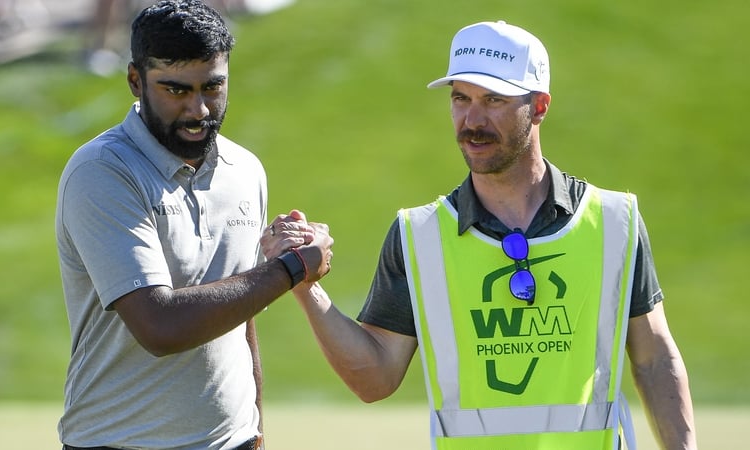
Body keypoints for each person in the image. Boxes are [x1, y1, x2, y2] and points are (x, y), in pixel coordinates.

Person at [264, 20, 697, 449]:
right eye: (461, 99)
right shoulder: (418, 236)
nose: (472, 120)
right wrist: (304, 284)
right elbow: (374, 379)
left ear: (540, 106)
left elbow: (655, 358)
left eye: (494, 99)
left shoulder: (614, 221)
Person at [55, 1, 333, 449]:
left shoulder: (245, 169)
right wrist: (290, 269)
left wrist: (256, 426)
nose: (199, 109)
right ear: (135, 81)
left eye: (213, 86)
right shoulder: (102, 171)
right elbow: (160, 327)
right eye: (176, 90)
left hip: (233, 441)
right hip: (119, 442)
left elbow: (240, 316)